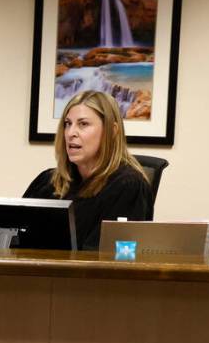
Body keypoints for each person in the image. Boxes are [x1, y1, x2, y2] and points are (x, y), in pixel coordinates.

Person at [23, 90, 152, 250]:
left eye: (83, 124)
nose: (70, 133)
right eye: (68, 124)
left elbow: (105, 258)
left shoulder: (129, 186)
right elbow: (13, 233)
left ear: (112, 130)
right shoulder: (48, 180)